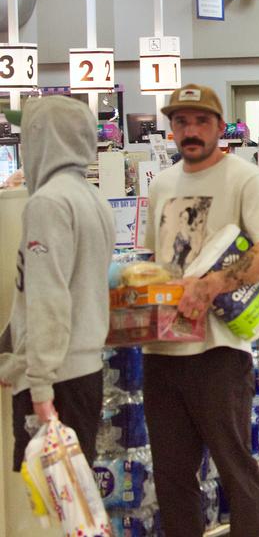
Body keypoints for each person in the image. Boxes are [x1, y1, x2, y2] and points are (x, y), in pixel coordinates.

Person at [144, 84, 259, 537]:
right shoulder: (162, 184)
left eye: (201, 121)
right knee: (171, 476)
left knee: (234, 469)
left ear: (220, 128)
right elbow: (154, 262)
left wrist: (213, 285)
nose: (190, 131)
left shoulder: (244, 178)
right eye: (181, 122)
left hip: (220, 352)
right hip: (161, 353)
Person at [0, 96, 115, 473]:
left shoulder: (47, 203)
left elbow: (48, 298)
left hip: (57, 379)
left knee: (50, 507)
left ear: (41, 137)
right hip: (85, 372)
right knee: (75, 504)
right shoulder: (93, 199)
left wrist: (39, 387)